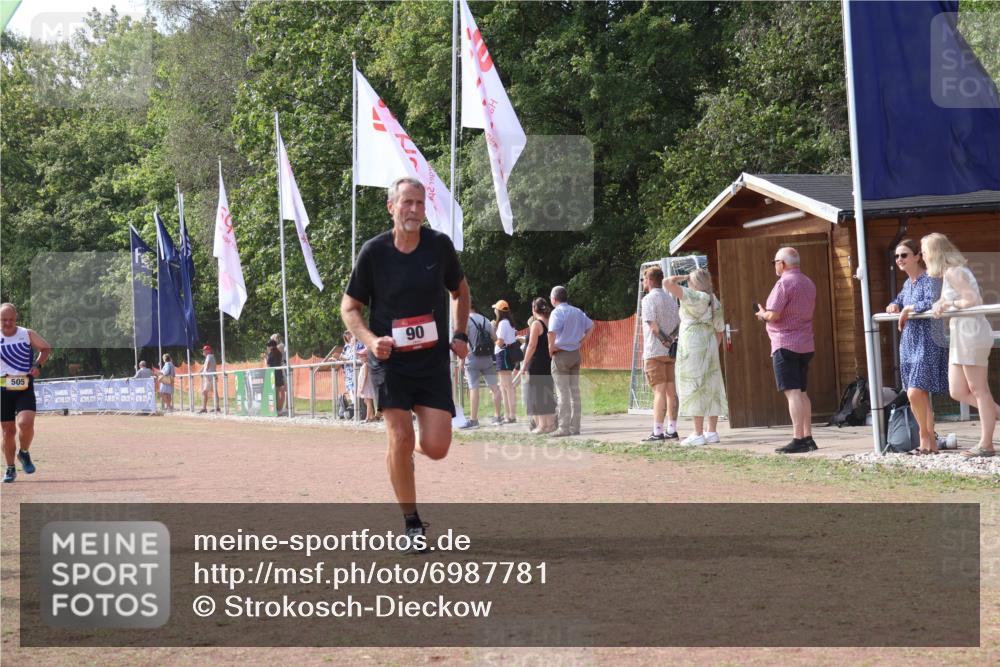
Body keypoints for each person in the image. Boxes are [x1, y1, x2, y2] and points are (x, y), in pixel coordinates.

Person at [341, 176, 470, 548]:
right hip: (390, 361)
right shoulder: (374, 252)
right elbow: (349, 307)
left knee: (437, 447)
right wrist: (369, 340)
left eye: (419, 203)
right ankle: (412, 523)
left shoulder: (439, 247)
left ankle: (411, 449)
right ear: (391, 207)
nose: (414, 210)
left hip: (430, 363)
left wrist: (459, 334)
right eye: (406, 203)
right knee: (398, 435)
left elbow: (460, 291)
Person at [922, 232, 998, 457]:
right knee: (956, 390)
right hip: (960, 334)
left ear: (935, 253)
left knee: (979, 389)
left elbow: (973, 300)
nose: (923, 257)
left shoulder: (954, 272)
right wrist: (942, 302)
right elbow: (955, 299)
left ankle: (986, 444)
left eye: (924, 252)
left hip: (971, 333)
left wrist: (948, 304)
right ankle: (994, 415)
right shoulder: (949, 273)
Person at [885, 239, 949, 454]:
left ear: (917, 257)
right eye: (897, 256)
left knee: (913, 392)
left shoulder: (929, 278)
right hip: (909, 343)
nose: (899, 260)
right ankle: (928, 443)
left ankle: (924, 435)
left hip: (928, 341)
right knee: (918, 395)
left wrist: (908, 309)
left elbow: (931, 303)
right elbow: (900, 299)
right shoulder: (907, 283)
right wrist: (896, 304)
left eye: (904, 255)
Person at [755, 247, 818, 454]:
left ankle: (798, 438)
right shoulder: (808, 282)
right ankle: (808, 437)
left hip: (785, 343)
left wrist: (762, 314)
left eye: (775, 262)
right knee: (802, 392)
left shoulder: (784, 283)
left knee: (792, 393)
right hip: (806, 343)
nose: (774, 265)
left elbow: (774, 315)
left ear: (782, 263)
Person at [664, 269, 728, 445]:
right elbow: (720, 331)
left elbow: (667, 283)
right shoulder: (714, 300)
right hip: (709, 345)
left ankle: (698, 433)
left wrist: (684, 277)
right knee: (712, 386)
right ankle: (712, 432)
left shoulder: (693, 296)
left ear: (694, 282)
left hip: (692, 346)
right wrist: (712, 349)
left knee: (694, 386)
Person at [1, 303, 51, 483]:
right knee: (7, 431)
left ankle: (24, 453)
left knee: (26, 422)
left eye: (11, 320)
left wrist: (37, 365)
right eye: (3, 320)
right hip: (2, 389)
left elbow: (46, 348)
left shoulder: (26, 334)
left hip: (24, 386)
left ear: (16, 318)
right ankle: (10, 468)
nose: (7, 323)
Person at [640, 266, 680, 441]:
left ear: (649, 280)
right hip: (671, 353)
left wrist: (664, 341)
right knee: (672, 392)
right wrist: (671, 341)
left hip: (654, 351)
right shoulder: (671, 300)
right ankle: (672, 429)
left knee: (659, 392)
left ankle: (657, 431)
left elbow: (654, 327)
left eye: (643, 280)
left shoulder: (648, 300)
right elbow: (679, 324)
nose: (643, 283)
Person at [548, 285, 594, 437]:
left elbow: (552, 333)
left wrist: (551, 348)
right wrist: (581, 342)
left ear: (554, 299)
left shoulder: (556, 312)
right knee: (575, 392)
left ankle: (563, 427)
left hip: (561, 355)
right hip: (575, 353)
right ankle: (576, 427)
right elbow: (591, 326)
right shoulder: (577, 311)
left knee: (563, 393)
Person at [515, 297, 557, 434]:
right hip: (548, 362)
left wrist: (524, 364)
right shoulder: (550, 322)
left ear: (534, 309)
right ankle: (550, 425)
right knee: (547, 393)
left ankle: (543, 426)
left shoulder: (536, 324)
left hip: (537, 363)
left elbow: (532, 346)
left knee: (538, 395)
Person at [458, 305, 502, 429]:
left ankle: (474, 420)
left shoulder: (465, 321)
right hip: (487, 358)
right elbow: (495, 338)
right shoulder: (486, 320)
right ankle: (498, 417)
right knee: (495, 388)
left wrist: (461, 360)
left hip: (471, 358)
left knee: (474, 388)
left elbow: (462, 341)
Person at [492, 300, 519, 424]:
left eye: (495, 309)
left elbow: (500, 341)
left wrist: (492, 338)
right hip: (504, 354)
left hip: (503, 354)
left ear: (499, 311)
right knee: (505, 386)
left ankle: (511, 415)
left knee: (507, 386)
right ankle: (508, 414)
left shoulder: (503, 323)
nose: (494, 311)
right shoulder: (508, 323)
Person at [266, 339, 286, 416]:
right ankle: (278, 409)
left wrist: (266, 357)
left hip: (272, 374)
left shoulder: (271, 353)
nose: (268, 347)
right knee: (277, 392)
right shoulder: (279, 353)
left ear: (271, 346)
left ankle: (274, 409)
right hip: (279, 374)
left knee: (273, 393)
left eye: (268, 345)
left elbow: (268, 365)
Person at [200, 344, 218, 413]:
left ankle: (204, 408)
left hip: (209, 377)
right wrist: (201, 371)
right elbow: (205, 366)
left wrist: (205, 374)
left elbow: (207, 366)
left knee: (204, 392)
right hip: (212, 377)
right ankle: (217, 407)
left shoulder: (209, 357)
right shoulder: (211, 356)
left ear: (208, 351)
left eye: (204, 350)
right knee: (215, 392)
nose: (203, 351)